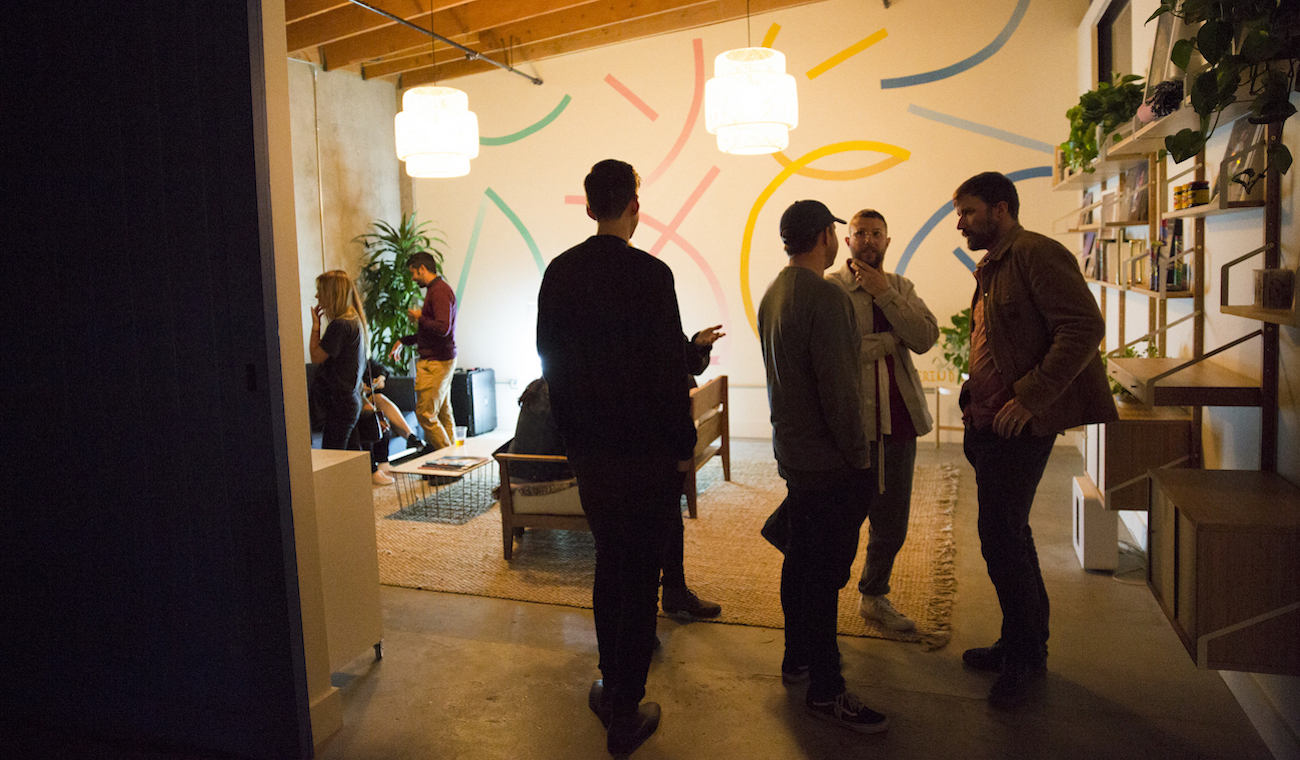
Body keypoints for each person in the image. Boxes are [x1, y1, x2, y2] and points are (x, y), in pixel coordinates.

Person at [536, 159, 696, 757]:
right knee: (642, 575)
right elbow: (667, 370)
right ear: (635, 206)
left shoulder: (560, 272)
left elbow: (550, 360)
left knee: (610, 564)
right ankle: (625, 711)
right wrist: (682, 450)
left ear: (587, 207)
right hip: (648, 454)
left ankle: (609, 684)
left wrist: (576, 440)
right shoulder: (653, 275)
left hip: (594, 454)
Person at [952, 172, 1117, 708]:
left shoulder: (1034, 253)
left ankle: (1025, 658)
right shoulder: (997, 262)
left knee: (1001, 537)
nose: (960, 223)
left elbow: (1084, 327)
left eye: (969, 212)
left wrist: (1030, 398)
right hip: (991, 423)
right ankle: (1020, 643)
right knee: (1009, 536)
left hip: (1018, 424)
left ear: (1000, 209)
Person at [758, 199, 888, 734]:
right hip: (828, 461)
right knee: (824, 576)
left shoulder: (774, 292)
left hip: (792, 453)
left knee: (800, 559)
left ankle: (797, 658)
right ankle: (827, 689)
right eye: (835, 232)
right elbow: (840, 391)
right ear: (824, 237)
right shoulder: (826, 296)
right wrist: (860, 459)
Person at [826, 210, 939, 632]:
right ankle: (823, 596)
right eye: (860, 233)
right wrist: (892, 339)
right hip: (850, 424)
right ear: (847, 240)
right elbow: (836, 351)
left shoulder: (901, 287)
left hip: (900, 418)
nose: (868, 240)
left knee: (892, 519)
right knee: (841, 518)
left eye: (877, 234)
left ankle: (874, 595)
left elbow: (926, 338)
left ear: (888, 241)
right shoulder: (831, 290)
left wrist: (884, 294)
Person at [399, 251, 457, 451]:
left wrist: (419, 317)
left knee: (425, 413)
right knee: (442, 413)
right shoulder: (437, 290)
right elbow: (433, 331)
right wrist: (404, 340)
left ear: (422, 269)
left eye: (414, 273)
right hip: (441, 359)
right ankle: (453, 459)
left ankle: (448, 462)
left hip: (436, 362)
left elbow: (442, 328)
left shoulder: (439, 291)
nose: (413, 278)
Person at [309, 270, 367, 452]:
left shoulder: (339, 325)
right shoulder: (354, 320)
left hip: (340, 404)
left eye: (321, 291)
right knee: (351, 459)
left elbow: (316, 356)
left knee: (333, 457)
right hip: (351, 400)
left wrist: (316, 327)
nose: (317, 295)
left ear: (332, 293)